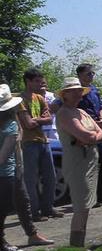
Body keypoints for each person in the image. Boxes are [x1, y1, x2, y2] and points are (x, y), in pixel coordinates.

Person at [0, 84, 54, 251]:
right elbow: (4, 155)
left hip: (14, 168)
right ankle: (2, 242)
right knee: (4, 208)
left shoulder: (12, 123)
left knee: (23, 201)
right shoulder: (10, 125)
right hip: (8, 171)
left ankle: (32, 234)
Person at [55, 77, 102, 248]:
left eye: (79, 90)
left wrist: (90, 138)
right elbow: (87, 135)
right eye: (74, 90)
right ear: (65, 94)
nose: (78, 93)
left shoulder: (81, 112)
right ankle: (75, 248)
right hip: (77, 163)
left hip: (90, 160)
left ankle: (80, 246)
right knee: (80, 206)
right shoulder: (64, 113)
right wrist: (89, 137)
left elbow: (100, 133)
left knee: (87, 206)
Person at [17, 67, 61, 221]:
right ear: (28, 81)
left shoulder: (39, 98)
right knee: (31, 179)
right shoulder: (20, 100)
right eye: (36, 81)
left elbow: (49, 118)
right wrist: (39, 120)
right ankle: (34, 212)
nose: (39, 84)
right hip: (28, 142)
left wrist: (36, 120)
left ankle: (48, 208)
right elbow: (28, 124)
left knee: (50, 176)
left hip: (43, 140)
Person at [76, 64, 102, 207]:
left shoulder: (93, 89)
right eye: (88, 74)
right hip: (85, 128)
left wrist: (101, 117)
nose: (91, 76)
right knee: (88, 165)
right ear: (80, 75)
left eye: (93, 73)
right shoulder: (76, 91)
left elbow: (99, 106)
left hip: (98, 128)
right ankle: (89, 198)